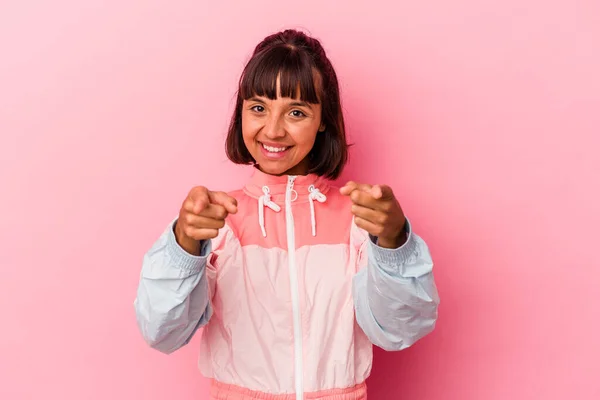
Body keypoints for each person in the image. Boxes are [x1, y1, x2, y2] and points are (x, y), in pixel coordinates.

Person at [134, 29, 440, 400]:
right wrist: (184, 247)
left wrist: (394, 243)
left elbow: (399, 329)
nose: (274, 130)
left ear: (323, 119)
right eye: (259, 108)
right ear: (241, 112)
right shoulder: (216, 221)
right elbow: (161, 331)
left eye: (296, 112)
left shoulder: (359, 221)